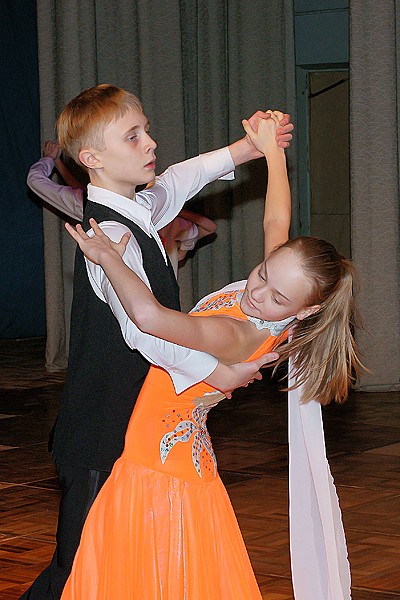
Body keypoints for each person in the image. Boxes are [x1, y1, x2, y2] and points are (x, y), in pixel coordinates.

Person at [61, 114, 363, 599]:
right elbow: (276, 219)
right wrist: (272, 151)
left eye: (277, 297)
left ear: (306, 311)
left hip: (155, 463)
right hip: (175, 453)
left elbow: (151, 319)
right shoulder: (277, 298)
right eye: (262, 273)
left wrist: (110, 258)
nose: (257, 293)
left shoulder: (236, 333)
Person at [19, 84, 293, 600]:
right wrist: (217, 372)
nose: (150, 142)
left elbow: (180, 178)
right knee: (76, 569)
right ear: (92, 159)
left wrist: (247, 149)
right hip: (101, 433)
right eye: (133, 136)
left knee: (117, 568)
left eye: (145, 130)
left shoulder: (140, 207)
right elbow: (143, 329)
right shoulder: (111, 237)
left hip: (132, 428)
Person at [27, 143, 217, 274]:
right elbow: (88, 193)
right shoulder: (96, 205)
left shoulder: (166, 217)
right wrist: (54, 161)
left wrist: (52, 160)